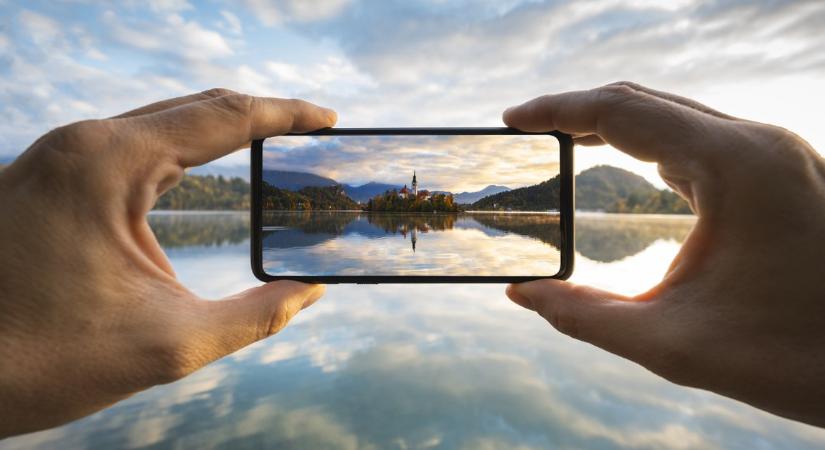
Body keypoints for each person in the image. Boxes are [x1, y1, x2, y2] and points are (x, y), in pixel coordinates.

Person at [0, 83, 822, 438]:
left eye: (419, 203)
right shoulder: (402, 204)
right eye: (415, 202)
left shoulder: (427, 203)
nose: (419, 205)